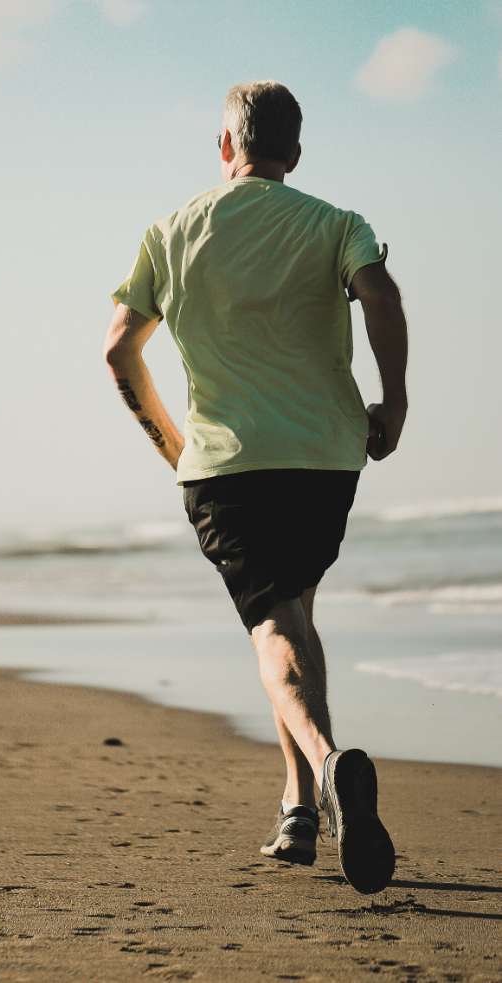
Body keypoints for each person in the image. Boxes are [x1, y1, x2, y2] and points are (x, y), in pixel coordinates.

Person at [103, 80, 408, 895]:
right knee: (294, 615)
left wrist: (173, 444)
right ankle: (299, 808)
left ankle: (327, 763)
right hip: (325, 458)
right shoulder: (336, 223)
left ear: (224, 146)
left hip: (227, 466)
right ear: (294, 155)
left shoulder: (170, 233)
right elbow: (381, 294)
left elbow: (118, 352)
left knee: (273, 627)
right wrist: (396, 403)